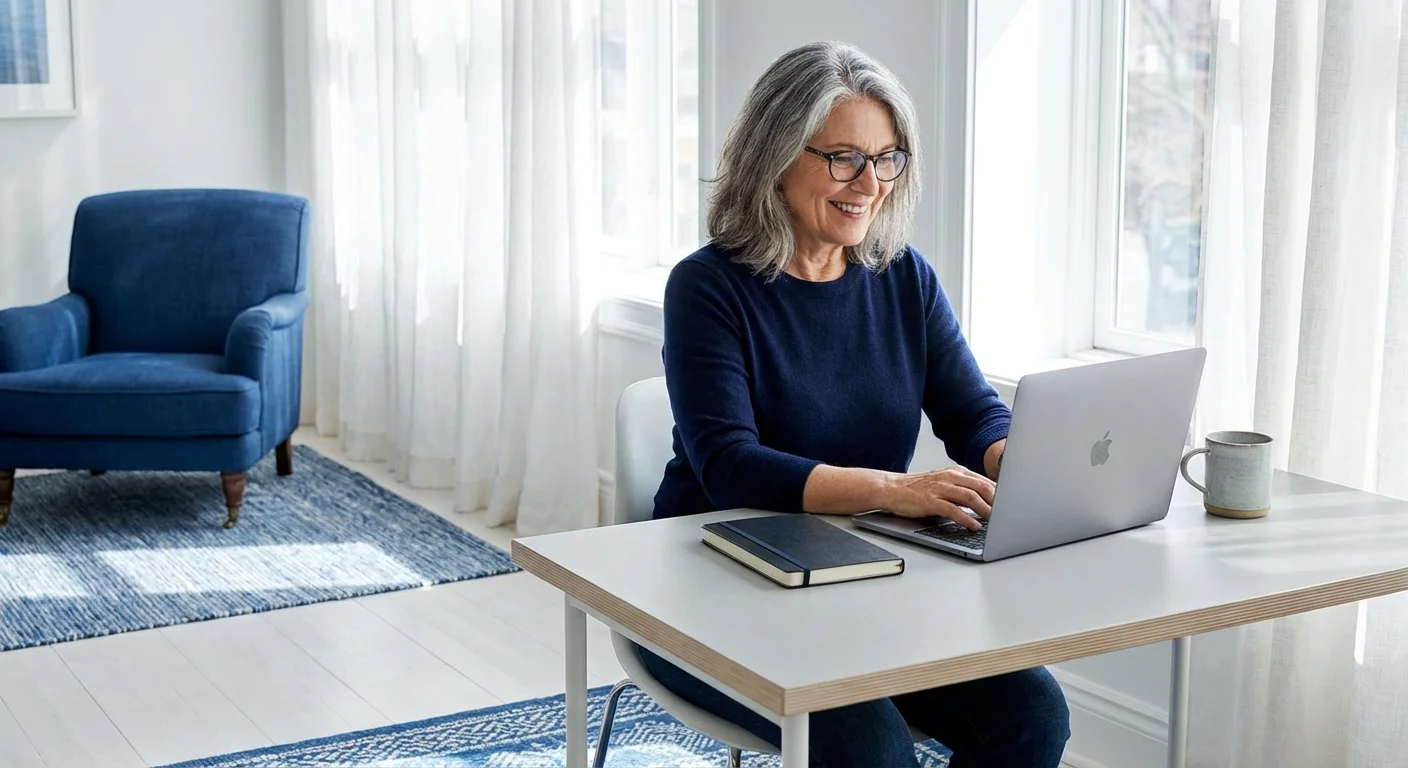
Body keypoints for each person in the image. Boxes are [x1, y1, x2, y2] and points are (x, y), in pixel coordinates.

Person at [641, 41, 1071, 767]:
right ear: (776, 157)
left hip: (861, 581)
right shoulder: (708, 287)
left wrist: (1022, 463)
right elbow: (731, 467)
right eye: (843, 157)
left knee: (1032, 714)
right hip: (714, 588)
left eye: (887, 157)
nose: (869, 183)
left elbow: (973, 415)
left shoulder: (904, 279)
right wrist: (897, 490)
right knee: (870, 751)